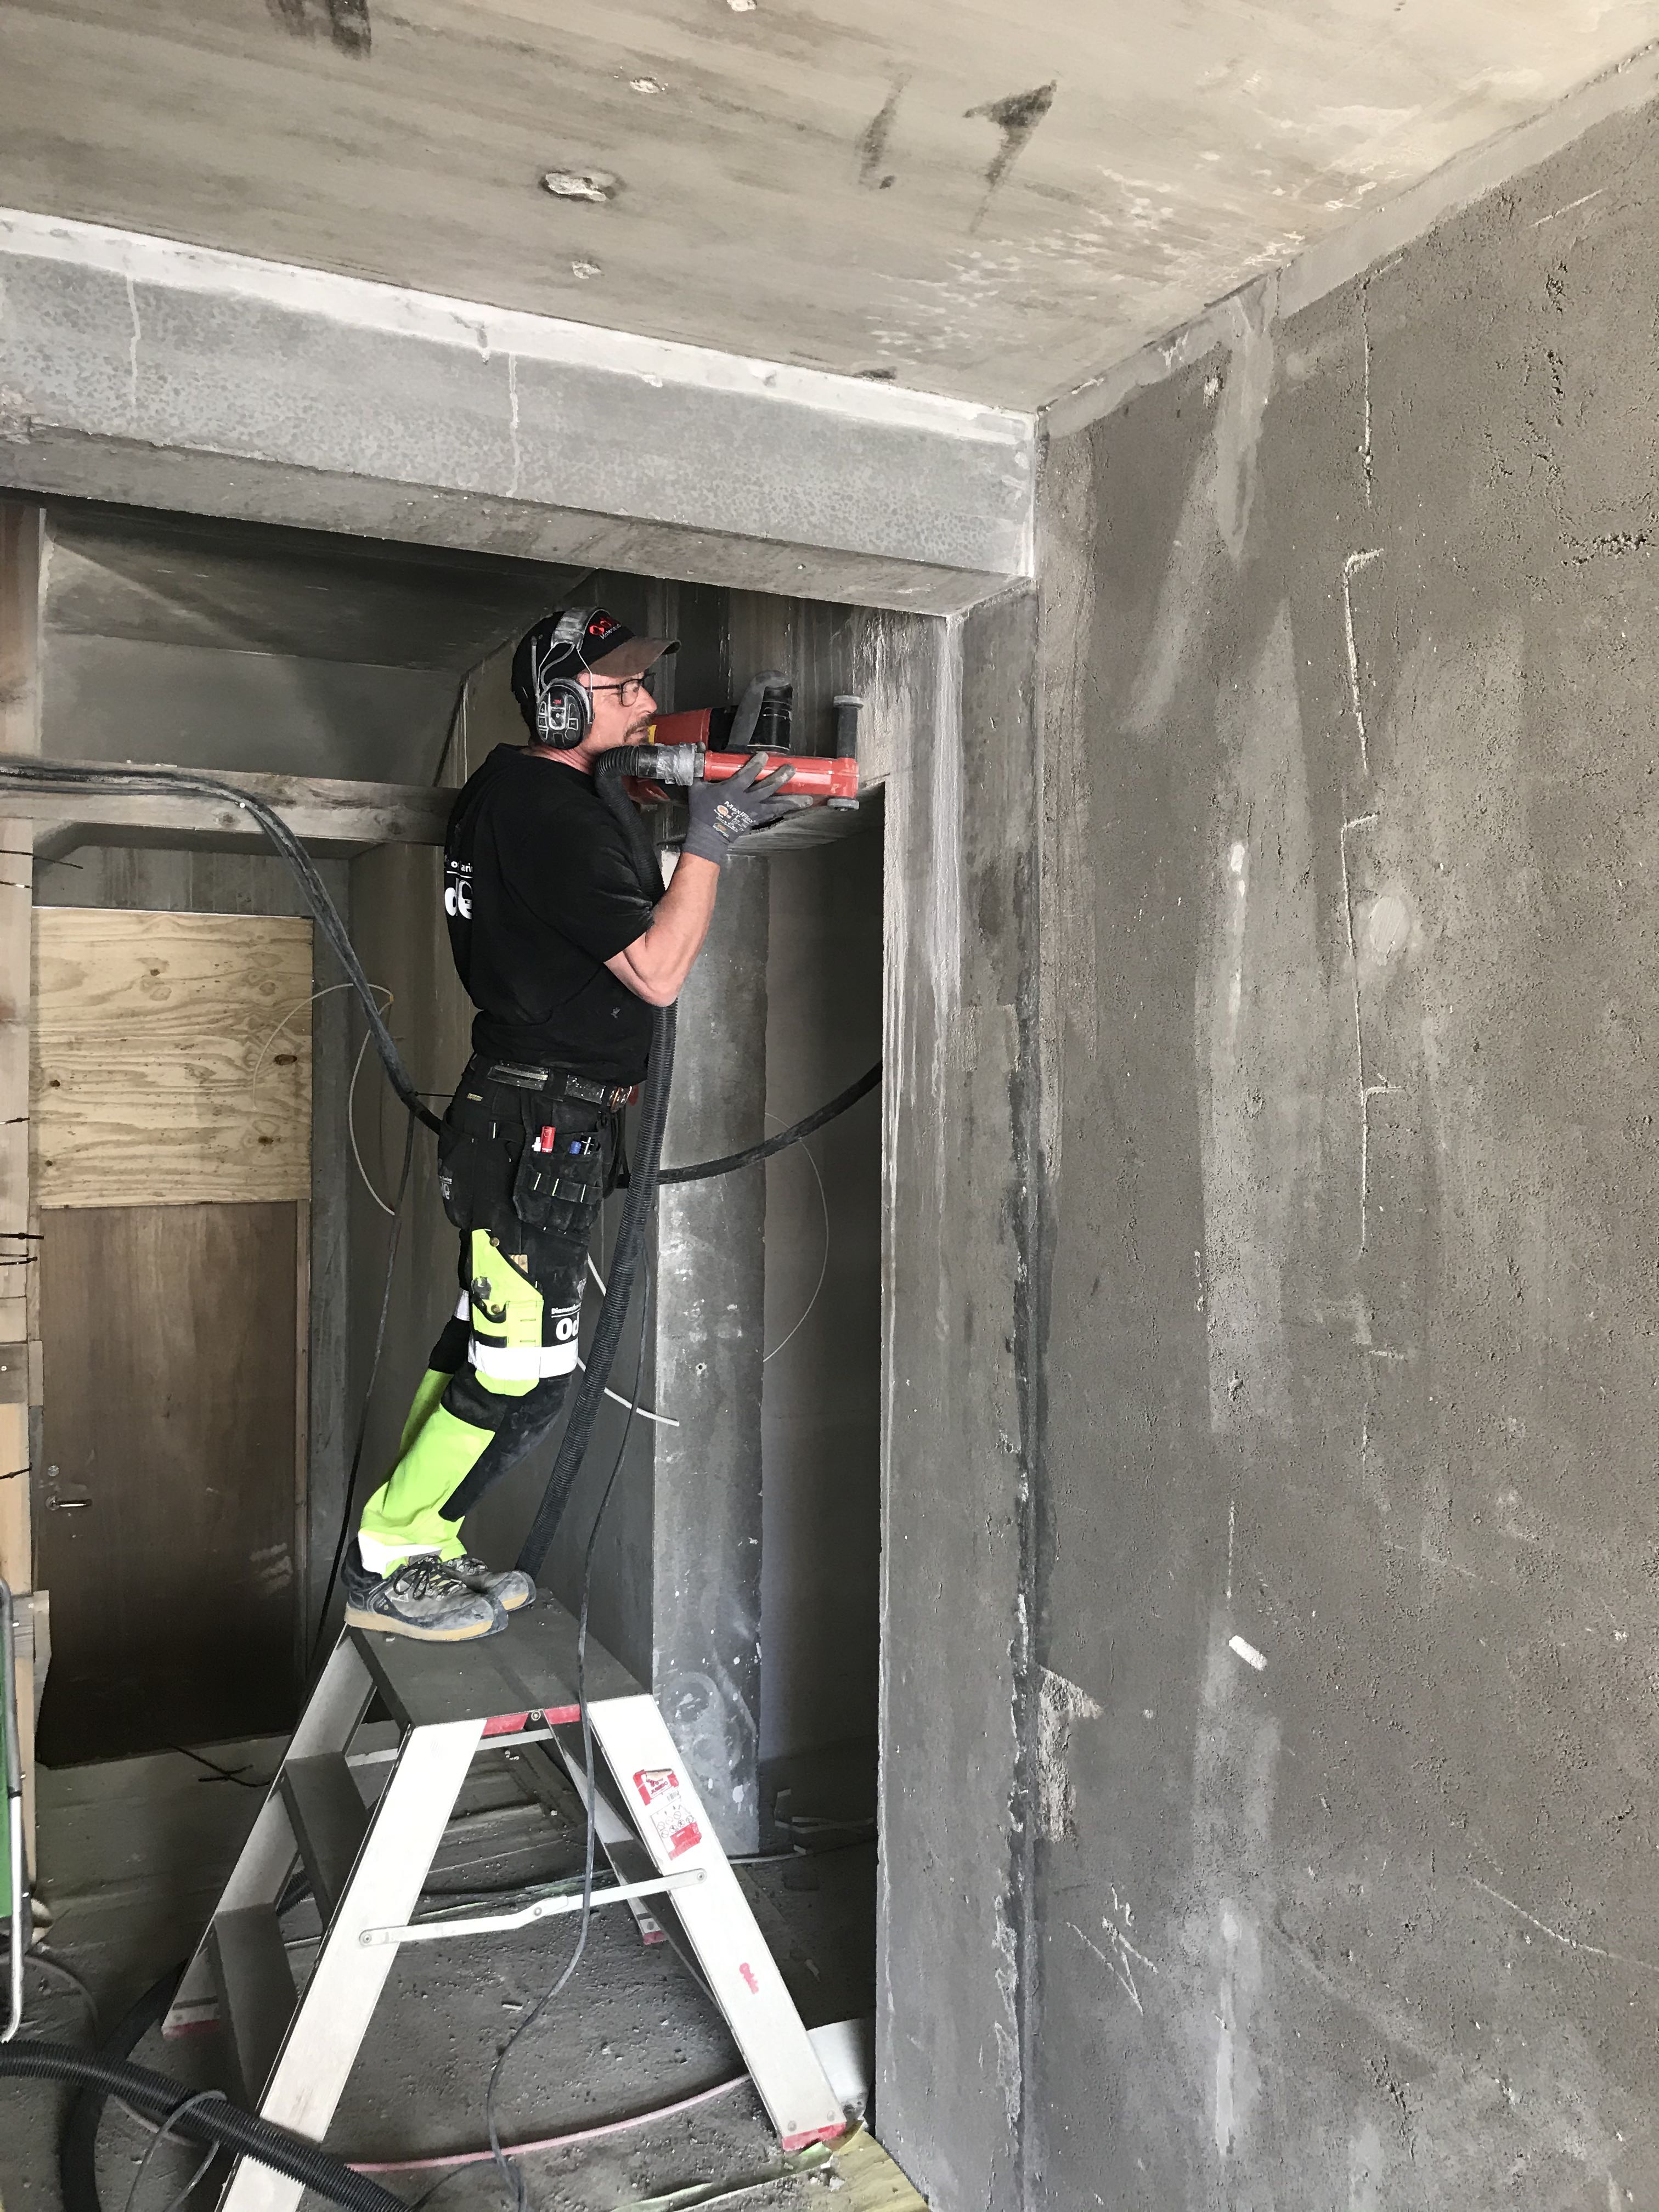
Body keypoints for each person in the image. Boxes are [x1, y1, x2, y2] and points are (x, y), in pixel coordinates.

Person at [344, 606, 805, 1641]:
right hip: (531, 1127)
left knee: (514, 1362)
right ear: (557, 704)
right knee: (516, 1370)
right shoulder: (545, 812)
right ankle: (388, 1554)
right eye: (622, 688)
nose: (645, 702)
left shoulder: (527, 794)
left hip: (543, 1122)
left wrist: (691, 801)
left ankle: (421, 1538)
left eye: (645, 684)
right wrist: (711, 841)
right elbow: (657, 971)